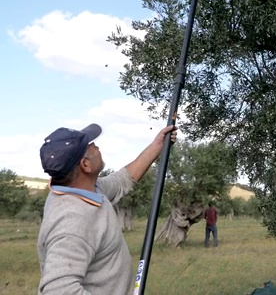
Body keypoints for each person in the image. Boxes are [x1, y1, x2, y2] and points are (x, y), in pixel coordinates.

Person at [37, 123, 177, 295]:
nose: (97, 147)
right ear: (85, 165)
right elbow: (57, 290)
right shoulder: (73, 220)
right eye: (91, 145)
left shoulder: (88, 189)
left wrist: (158, 145)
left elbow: (122, 180)